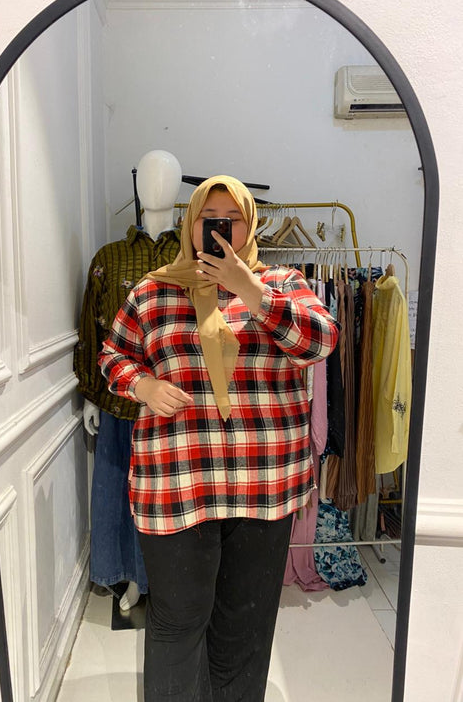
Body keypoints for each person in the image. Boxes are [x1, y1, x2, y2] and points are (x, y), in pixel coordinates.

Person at [99, 175, 339, 700]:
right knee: (177, 619)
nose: (220, 229)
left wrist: (252, 290)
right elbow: (113, 355)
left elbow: (320, 342)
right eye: (210, 219)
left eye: (232, 219)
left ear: (249, 226)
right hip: (177, 481)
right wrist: (142, 385)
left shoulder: (283, 283)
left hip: (264, 482)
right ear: (191, 225)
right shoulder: (153, 291)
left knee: (245, 621)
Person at [74, 150, 182, 611]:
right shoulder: (109, 257)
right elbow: (92, 326)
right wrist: (90, 394)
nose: (157, 185)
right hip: (120, 398)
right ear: (136, 185)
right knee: (119, 491)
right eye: (150, 176)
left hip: (177, 405)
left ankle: (170, 580)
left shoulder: (193, 255)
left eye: (168, 176)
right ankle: (129, 575)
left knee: (171, 497)